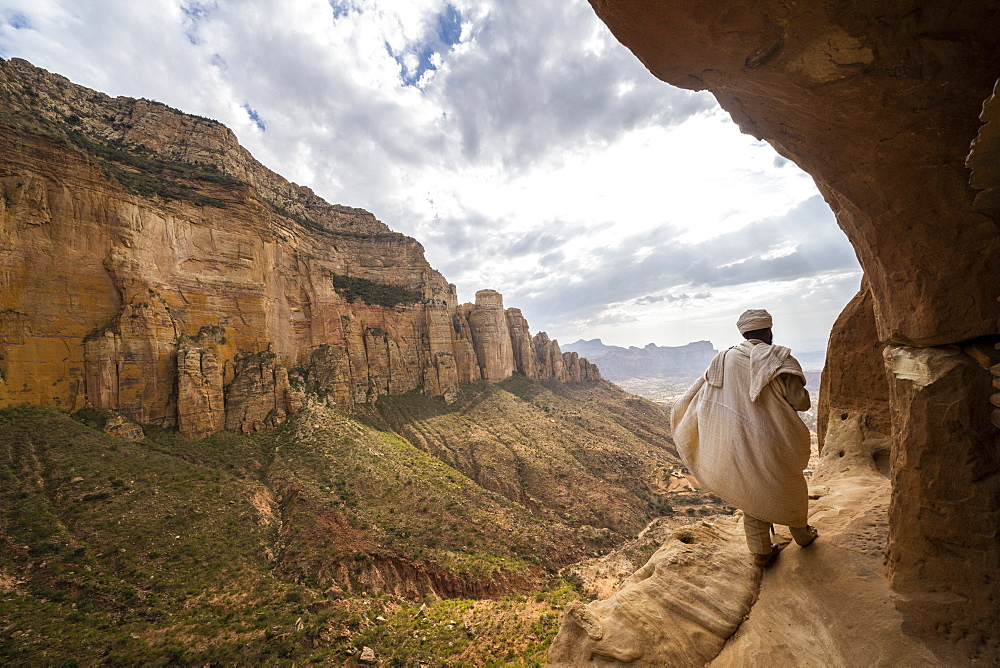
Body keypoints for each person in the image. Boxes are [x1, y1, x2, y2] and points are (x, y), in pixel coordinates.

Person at [670, 308, 817, 567]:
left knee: (753, 491)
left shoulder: (723, 358)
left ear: (744, 332)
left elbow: (704, 395)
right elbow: (800, 402)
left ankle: (761, 552)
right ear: (768, 330)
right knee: (790, 485)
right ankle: (802, 536)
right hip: (776, 439)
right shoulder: (779, 359)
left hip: (741, 440)